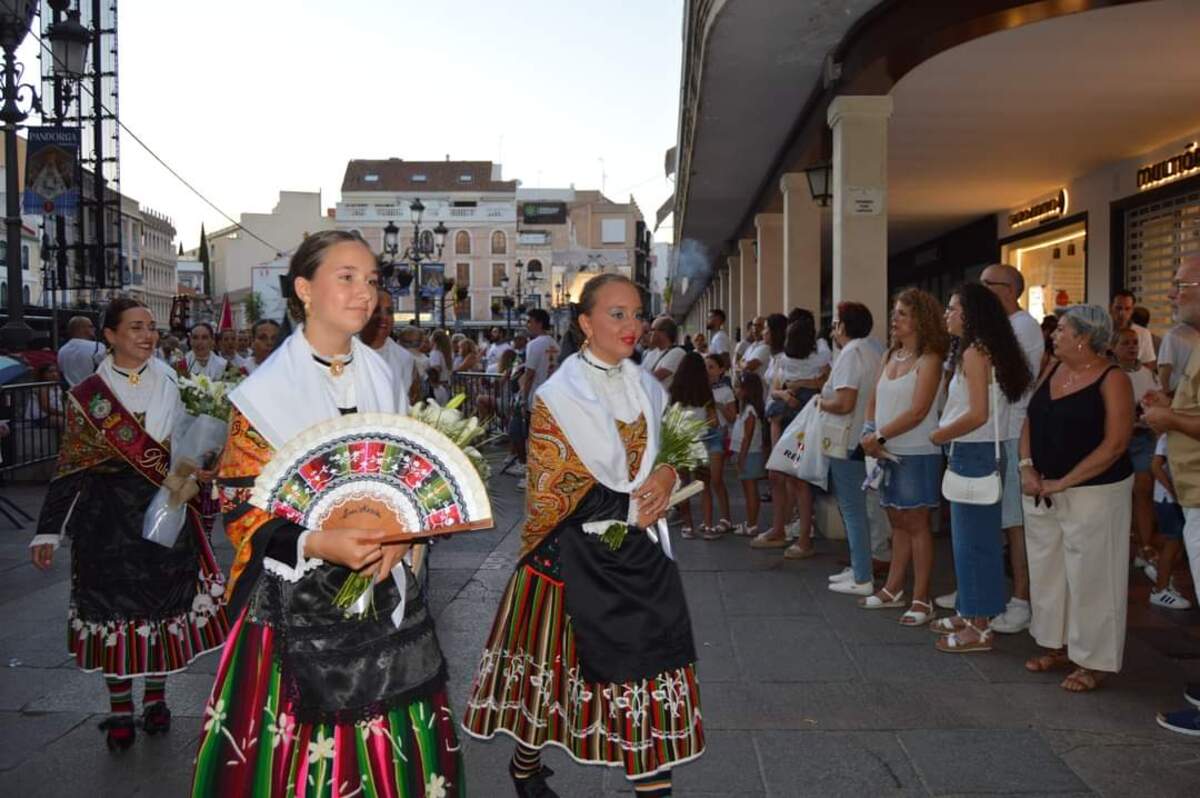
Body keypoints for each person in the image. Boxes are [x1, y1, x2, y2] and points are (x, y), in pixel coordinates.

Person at [191, 229, 462, 795]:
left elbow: (405, 479)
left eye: (371, 280)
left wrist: (405, 537)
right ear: (304, 290)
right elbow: (241, 507)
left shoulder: (387, 373)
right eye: (346, 277)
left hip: (385, 593)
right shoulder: (264, 395)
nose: (365, 293)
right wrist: (319, 543)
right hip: (295, 604)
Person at [463, 273, 703, 798]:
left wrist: (667, 476)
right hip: (568, 563)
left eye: (637, 313)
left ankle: (650, 786)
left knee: (645, 675)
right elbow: (553, 491)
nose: (632, 325)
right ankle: (525, 767)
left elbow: (672, 450)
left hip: (639, 556)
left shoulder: (646, 386)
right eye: (617, 314)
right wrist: (632, 502)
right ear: (586, 324)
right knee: (552, 683)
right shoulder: (557, 396)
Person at [31, 297, 230, 752]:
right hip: (105, 520)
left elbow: (190, 447)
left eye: (151, 327)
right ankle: (120, 709)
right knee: (112, 609)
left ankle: (156, 700)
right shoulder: (89, 397)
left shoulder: (173, 383)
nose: (147, 335)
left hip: (164, 509)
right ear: (110, 336)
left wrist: (203, 464)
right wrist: (48, 529)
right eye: (136, 327)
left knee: (160, 605)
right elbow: (70, 469)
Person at [1019, 304, 1132, 688]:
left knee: (1093, 575)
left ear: (1083, 338)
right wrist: (1026, 467)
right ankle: (1057, 644)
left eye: (1062, 328)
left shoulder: (1112, 378)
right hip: (1042, 489)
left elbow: (1116, 444)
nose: (1053, 333)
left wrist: (1063, 482)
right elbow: (1031, 419)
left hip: (1095, 492)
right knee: (1049, 570)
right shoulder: (1052, 368)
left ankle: (1093, 660)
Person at [930, 283, 1031, 653]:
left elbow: (976, 414)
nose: (947, 314)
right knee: (972, 541)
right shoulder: (984, 350)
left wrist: (939, 435)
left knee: (975, 543)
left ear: (970, 315)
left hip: (973, 453)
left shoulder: (975, 352)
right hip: (976, 453)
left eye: (953, 308)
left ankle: (979, 625)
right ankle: (971, 610)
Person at [859, 289, 948, 626]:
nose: (894, 320)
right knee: (896, 522)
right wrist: (870, 431)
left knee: (917, 524)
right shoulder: (889, 356)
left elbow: (919, 410)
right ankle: (894, 588)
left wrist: (878, 436)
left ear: (920, 320)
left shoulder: (931, 359)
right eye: (894, 313)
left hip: (916, 452)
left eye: (903, 314)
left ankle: (922, 598)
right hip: (884, 451)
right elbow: (873, 399)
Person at [1142, 257, 1200, 735]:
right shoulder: (1193, 341)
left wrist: (1171, 421)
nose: (1171, 294)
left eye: (1180, 285)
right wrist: (1170, 408)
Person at [975, 263, 1045, 634]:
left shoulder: (1023, 327)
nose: (981, 289)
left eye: (987, 284)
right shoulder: (1000, 327)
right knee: (994, 519)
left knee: (1015, 522)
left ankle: (1021, 600)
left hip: (1012, 433)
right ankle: (983, 592)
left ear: (1007, 289)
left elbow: (1003, 381)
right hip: (993, 433)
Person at [823, 302, 884, 597]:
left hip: (846, 440)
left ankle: (861, 576)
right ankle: (860, 567)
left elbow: (844, 402)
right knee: (859, 509)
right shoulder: (873, 350)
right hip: (864, 438)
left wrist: (817, 403)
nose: (833, 329)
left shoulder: (850, 354)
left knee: (852, 510)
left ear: (843, 327)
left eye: (835, 323)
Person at [1114, 326, 1161, 579]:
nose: (1132, 347)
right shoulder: (1110, 374)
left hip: (1143, 438)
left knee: (1143, 489)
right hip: (1118, 441)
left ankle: (1145, 546)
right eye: (1125, 343)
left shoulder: (1148, 374)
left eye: (1135, 343)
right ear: (1114, 346)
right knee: (1121, 496)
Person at [670, 351, 718, 539]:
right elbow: (713, 421)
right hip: (701, 443)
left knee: (683, 486)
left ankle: (688, 526)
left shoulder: (675, 391)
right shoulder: (705, 391)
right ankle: (707, 526)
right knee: (704, 485)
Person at [1148, 434, 1191, 609]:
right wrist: (1173, 491)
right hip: (1168, 500)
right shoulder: (1167, 437)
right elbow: (1156, 467)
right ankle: (1160, 589)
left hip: (1176, 499)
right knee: (1172, 543)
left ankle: (1160, 574)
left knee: (1177, 545)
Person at [360, 287, 418, 404]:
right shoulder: (343, 350)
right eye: (376, 310)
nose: (384, 317)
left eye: (389, 312)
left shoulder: (405, 359)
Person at [701, 353, 736, 538]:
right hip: (701, 437)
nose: (708, 370)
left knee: (716, 479)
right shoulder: (698, 388)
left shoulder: (725, 391)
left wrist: (719, 406)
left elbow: (732, 417)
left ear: (721, 370)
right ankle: (708, 519)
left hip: (718, 436)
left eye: (712, 366)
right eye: (705, 366)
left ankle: (725, 518)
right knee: (703, 481)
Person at [732, 371, 769, 537]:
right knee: (748, 490)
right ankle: (750, 521)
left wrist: (741, 457)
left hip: (750, 455)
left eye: (739, 387)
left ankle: (753, 524)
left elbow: (748, 436)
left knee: (750, 490)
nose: (736, 390)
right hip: (748, 454)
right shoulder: (746, 409)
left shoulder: (750, 411)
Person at [1109, 289, 1156, 369]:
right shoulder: (1101, 332)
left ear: (1132, 310)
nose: (1122, 313)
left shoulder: (1143, 333)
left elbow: (1149, 364)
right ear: (1110, 308)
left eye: (1127, 309)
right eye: (1118, 308)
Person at [57, 314, 105, 387]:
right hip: (93, 393)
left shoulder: (62, 350)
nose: (94, 329)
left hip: (71, 394)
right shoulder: (98, 346)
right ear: (81, 328)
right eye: (91, 326)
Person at [642, 315, 685, 386]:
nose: (650, 333)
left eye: (653, 330)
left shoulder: (677, 353)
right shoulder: (651, 353)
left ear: (663, 333)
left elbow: (654, 377)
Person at [428, 329, 453, 404]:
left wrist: (433, 383)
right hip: (446, 386)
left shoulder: (435, 353)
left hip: (438, 386)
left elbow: (436, 369)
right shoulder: (446, 354)